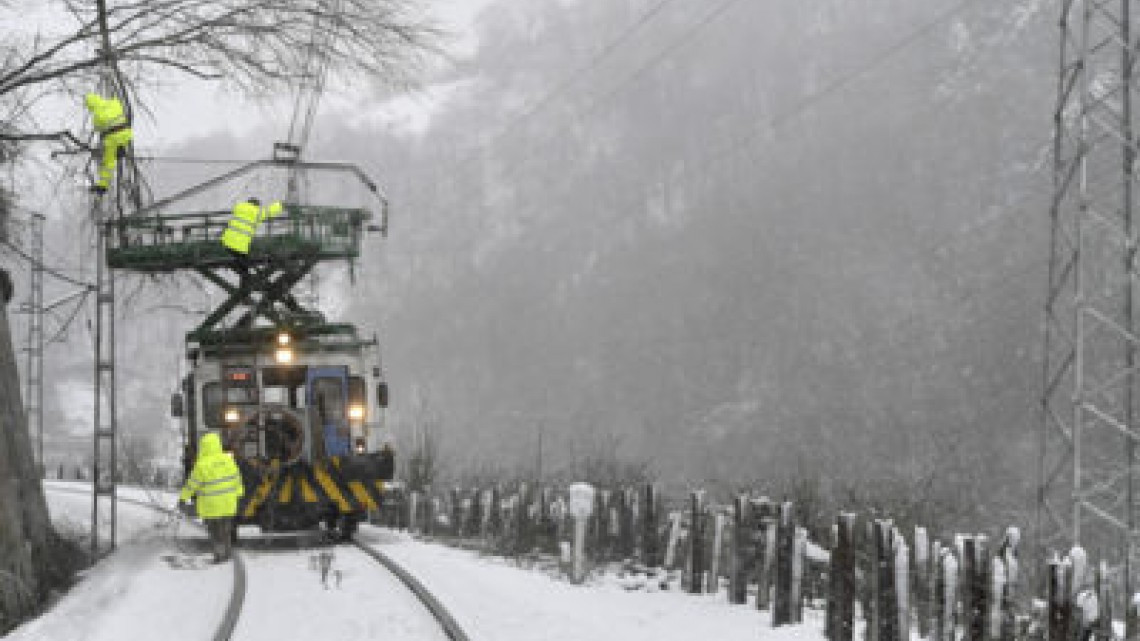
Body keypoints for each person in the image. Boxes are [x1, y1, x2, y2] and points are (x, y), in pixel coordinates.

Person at [179, 432, 244, 563]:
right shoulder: (228, 461)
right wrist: (238, 495)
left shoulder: (202, 465)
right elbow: (237, 481)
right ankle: (227, 553)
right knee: (226, 531)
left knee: (215, 533)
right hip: (228, 505)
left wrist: (183, 499)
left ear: (204, 447)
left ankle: (219, 555)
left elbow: (192, 485)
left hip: (211, 507)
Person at [83, 92, 133, 195]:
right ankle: (121, 148)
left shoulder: (97, 115)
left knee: (108, 162)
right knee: (118, 141)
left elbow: (98, 129)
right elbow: (122, 110)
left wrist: (100, 147)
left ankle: (103, 185)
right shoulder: (113, 102)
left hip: (112, 139)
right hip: (126, 134)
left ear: (90, 105)